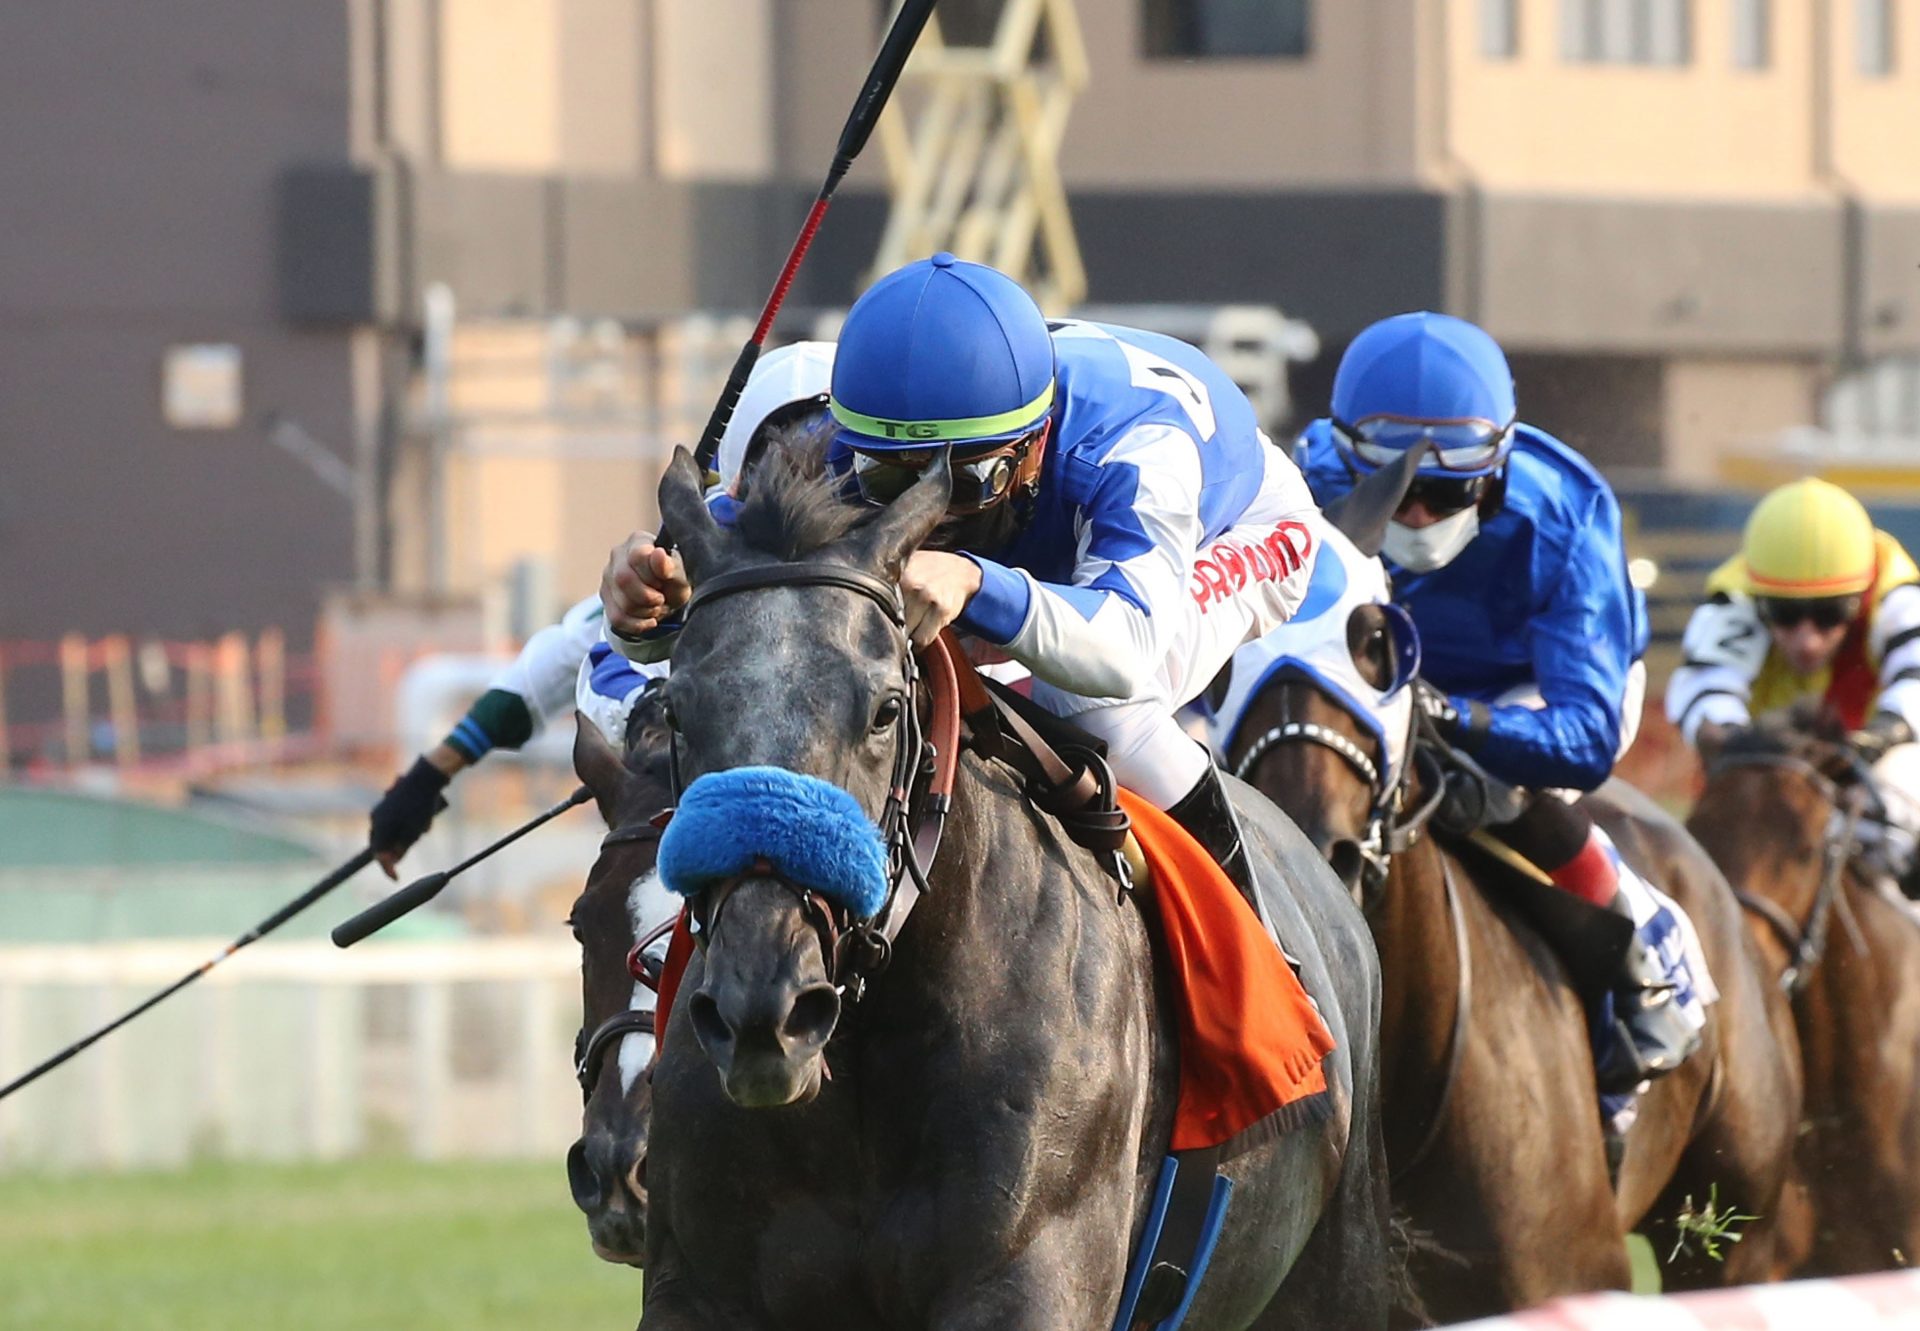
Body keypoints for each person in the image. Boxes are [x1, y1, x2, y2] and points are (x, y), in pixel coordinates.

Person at [601, 253, 1331, 890]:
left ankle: (1260, 950)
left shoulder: (1136, 453)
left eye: (967, 478)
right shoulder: (845, 449)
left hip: (1238, 534)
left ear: (1037, 442)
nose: (932, 506)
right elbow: (729, 584)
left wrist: (977, 580)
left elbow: (1123, 649)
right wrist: (649, 607)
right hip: (1035, 544)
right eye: (895, 480)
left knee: (1086, 703)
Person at [1294, 311, 1704, 1094]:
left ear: (1498, 469)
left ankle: (1643, 952)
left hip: (1533, 684)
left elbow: (1582, 735)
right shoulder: (1303, 483)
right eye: (1396, 490)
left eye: (1448, 492)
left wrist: (1454, 719)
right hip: (1379, 658)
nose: (1417, 516)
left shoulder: (1565, 515)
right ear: (1349, 462)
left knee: (1499, 785)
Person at [367, 342, 836, 876]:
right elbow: (581, 652)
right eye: (784, 460)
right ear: (734, 485)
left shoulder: (922, 558)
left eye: (830, 458)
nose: (808, 487)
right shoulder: (696, 553)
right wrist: (428, 777)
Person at [1666, 477, 1920, 878]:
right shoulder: (1736, 598)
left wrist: (1881, 735)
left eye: (1829, 613)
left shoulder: (1897, 598)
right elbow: (1703, 692)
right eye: (1784, 613)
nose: (1807, 641)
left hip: (1871, 767)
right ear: (1760, 596)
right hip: (1770, 768)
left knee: (1904, 774)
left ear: (1862, 592)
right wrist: (1737, 742)